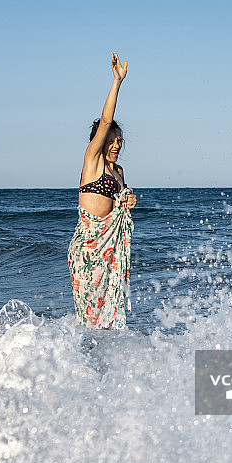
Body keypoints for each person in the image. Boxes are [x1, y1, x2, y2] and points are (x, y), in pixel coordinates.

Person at [68, 52, 137, 329]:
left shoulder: (118, 172)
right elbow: (106, 121)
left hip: (110, 250)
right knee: (89, 320)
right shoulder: (92, 161)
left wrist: (128, 200)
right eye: (111, 140)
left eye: (119, 141)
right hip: (88, 249)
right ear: (100, 142)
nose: (117, 145)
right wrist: (117, 82)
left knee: (108, 317)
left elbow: (121, 203)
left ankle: (105, 368)